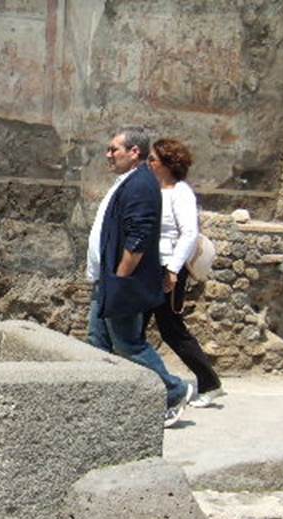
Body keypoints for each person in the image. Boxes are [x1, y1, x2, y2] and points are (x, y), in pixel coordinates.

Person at [87, 127, 193, 427]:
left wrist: (120, 278)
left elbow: (139, 237)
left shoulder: (140, 185)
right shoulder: (128, 181)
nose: (108, 154)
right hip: (107, 281)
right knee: (98, 342)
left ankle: (174, 391)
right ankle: (101, 404)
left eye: (114, 149)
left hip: (121, 283)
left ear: (134, 152)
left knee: (128, 345)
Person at [147, 138, 224, 407]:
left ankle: (210, 383)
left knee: (171, 329)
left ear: (168, 164)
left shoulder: (181, 193)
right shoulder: (155, 189)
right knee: (136, 327)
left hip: (168, 269)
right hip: (150, 267)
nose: (149, 163)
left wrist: (172, 269)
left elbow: (189, 233)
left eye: (153, 159)